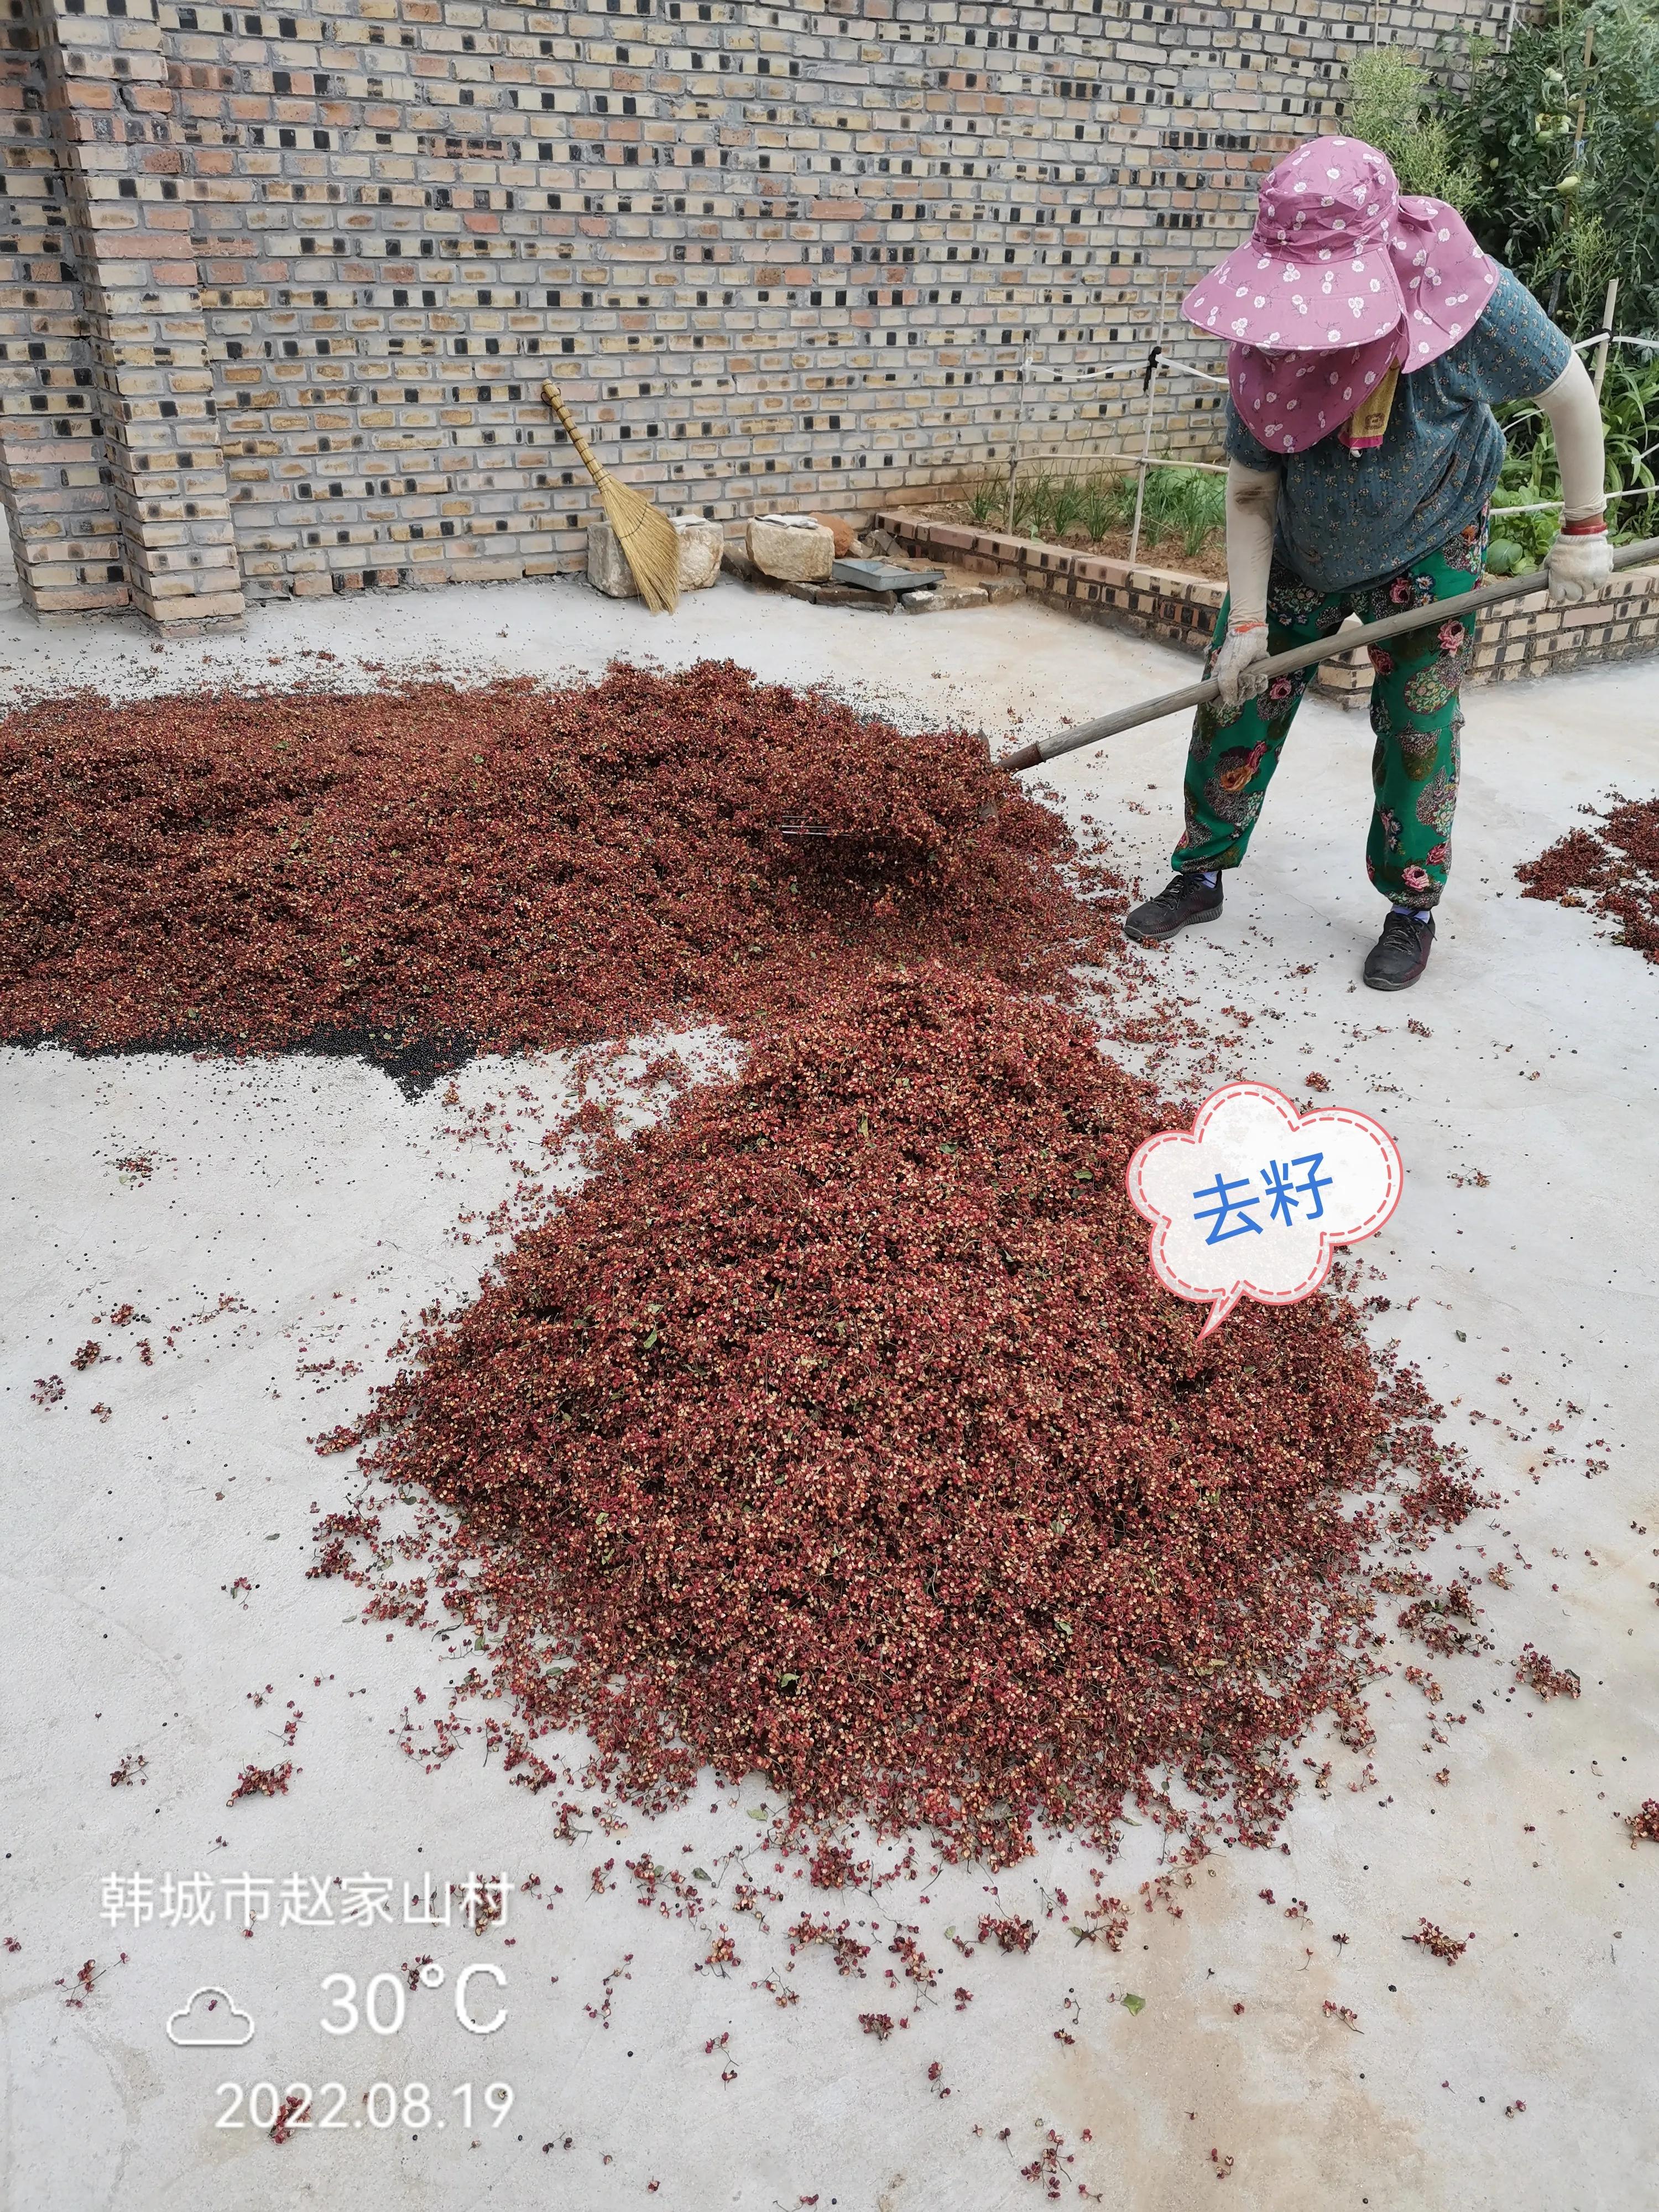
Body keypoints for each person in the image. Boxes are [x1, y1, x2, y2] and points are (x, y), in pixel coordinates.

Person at [1123, 135, 1611, 990]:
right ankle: (1201, 871)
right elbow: (1248, 495)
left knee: (1420, 731)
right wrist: (1246, 627)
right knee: (1234, 699)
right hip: (1300, 556)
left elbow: (1569, 391)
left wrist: (1583, 529)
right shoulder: (1267, 336)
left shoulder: (1471, 304)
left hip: (1433, 539)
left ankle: (1410, 907)